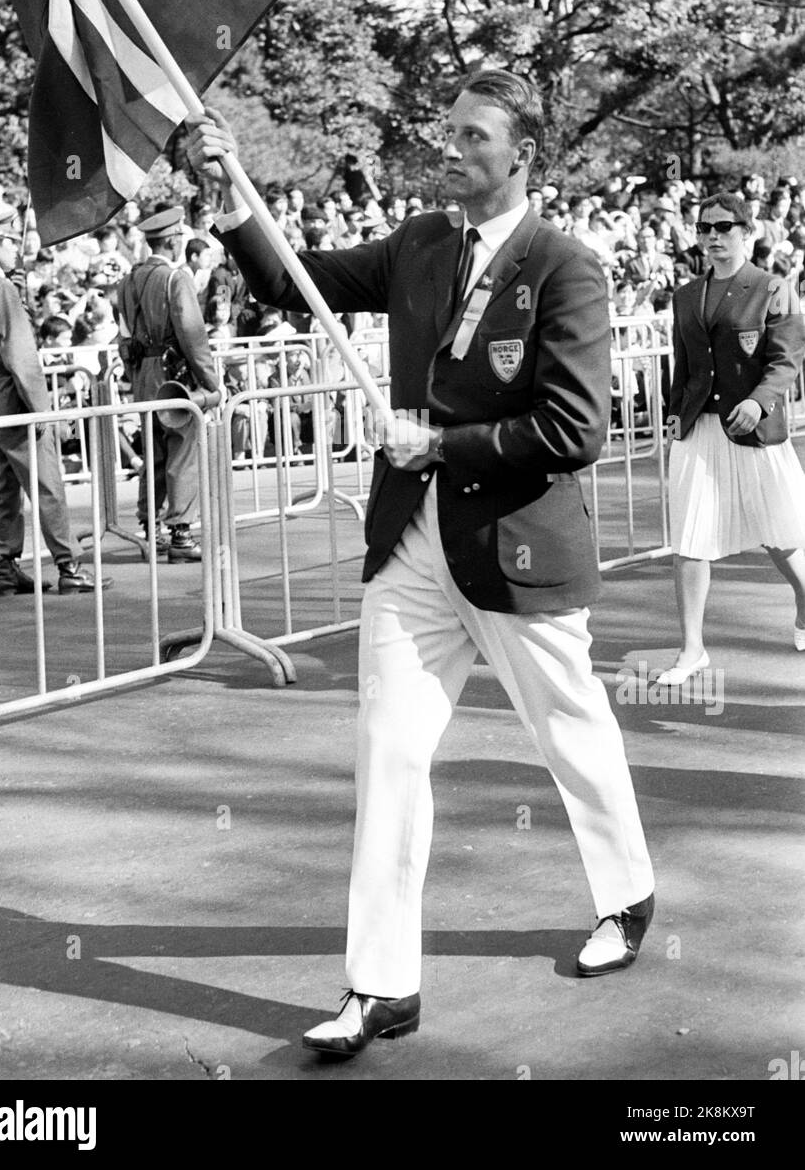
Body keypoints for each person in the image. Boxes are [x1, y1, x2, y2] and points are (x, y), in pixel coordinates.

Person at [187, 67, 655, 1057]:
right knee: (389, 755)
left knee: (570, 734)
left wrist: (441, 445)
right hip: (408, 546)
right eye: (449, 130)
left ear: (522, 153)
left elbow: (573, 429)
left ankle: (624, 894)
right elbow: (290, 280)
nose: (453, 148)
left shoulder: (565, 267)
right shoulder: (417, 243)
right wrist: (234, 206)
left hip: (514, 548)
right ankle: (378, 985)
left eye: (474, 135)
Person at [661, 192, 805, 682]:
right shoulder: (684, 295)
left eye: (724, 227)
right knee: (689, 538)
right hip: (699, 427)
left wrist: (757, 400)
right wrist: (674, 414)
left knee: (780, 536)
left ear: (748, 231)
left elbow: (786, 360)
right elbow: (683, 364)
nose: (712, 237)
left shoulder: (774, 288)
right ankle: (692, 648)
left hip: (755, 429)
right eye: (704, 228)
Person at [0, 209, 108, 595]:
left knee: (2, 484)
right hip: (12, 393)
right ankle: (68, 565)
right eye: (9, 242)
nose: (15, 249)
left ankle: (4, 567)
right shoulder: (0, 288)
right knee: (46, 483)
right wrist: (42, 409)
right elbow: (21, 355)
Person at [117, 206, 220, 561]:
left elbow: (124, 337)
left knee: (153, 454)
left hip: (144, 373)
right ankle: (180, 532)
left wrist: (135, 376)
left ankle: (152, 529)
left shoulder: (128, 280)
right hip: (172, 375)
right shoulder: (177, 279)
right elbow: (192, 335)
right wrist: (211, 382)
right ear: (175, 240)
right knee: (183, 450)